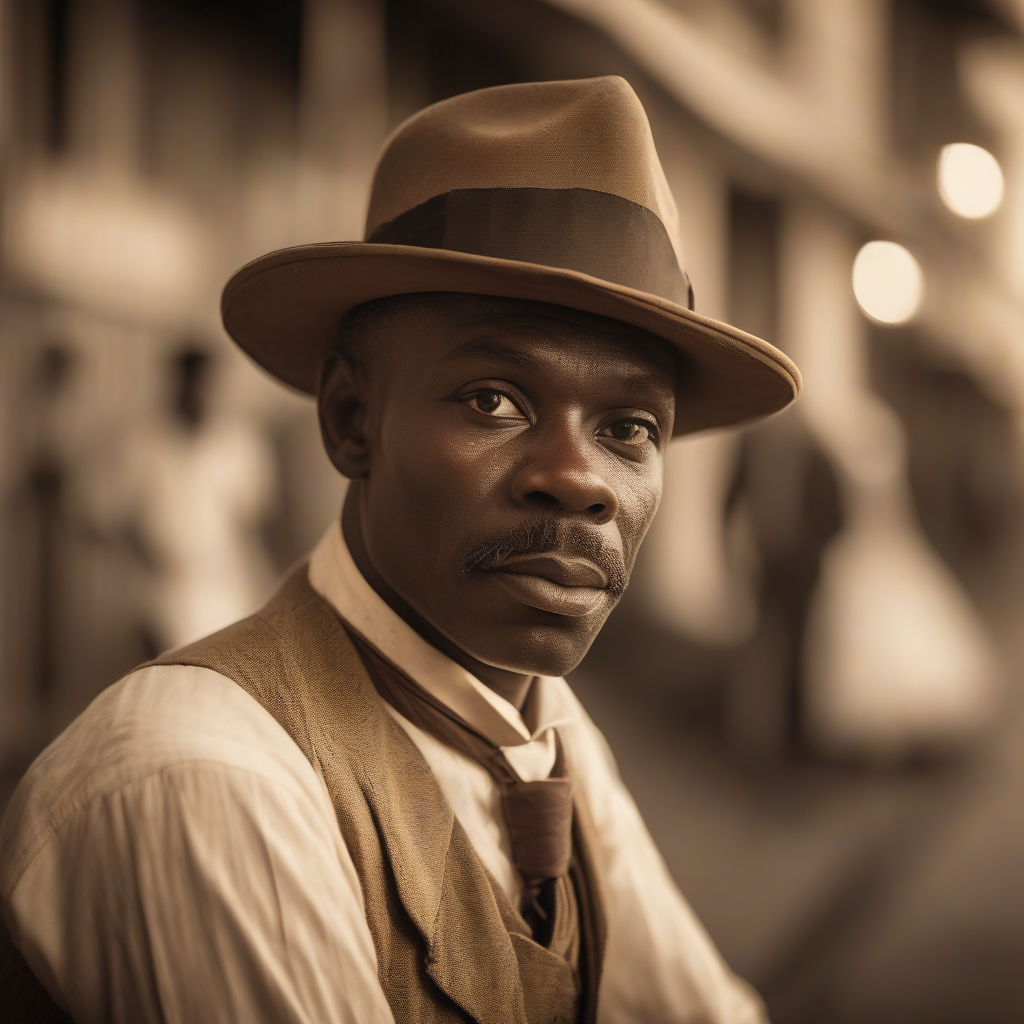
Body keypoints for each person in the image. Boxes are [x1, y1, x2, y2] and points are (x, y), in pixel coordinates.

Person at [0, 76, 799, 1023]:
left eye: (630, 427)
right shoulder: (208, 777)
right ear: (351, 420)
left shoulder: (553, 740)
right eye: (495, 400)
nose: (580, 478)